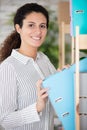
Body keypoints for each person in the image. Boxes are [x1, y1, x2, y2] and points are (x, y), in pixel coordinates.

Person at [0, 3, 57, 130]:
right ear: (18, 28)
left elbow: (57, 96)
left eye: (42, 26)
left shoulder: (44, 59)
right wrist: (37, 107)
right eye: (31, 25)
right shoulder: (8, 67)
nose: (38, 31)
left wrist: (66, 75)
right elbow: (5, 120)